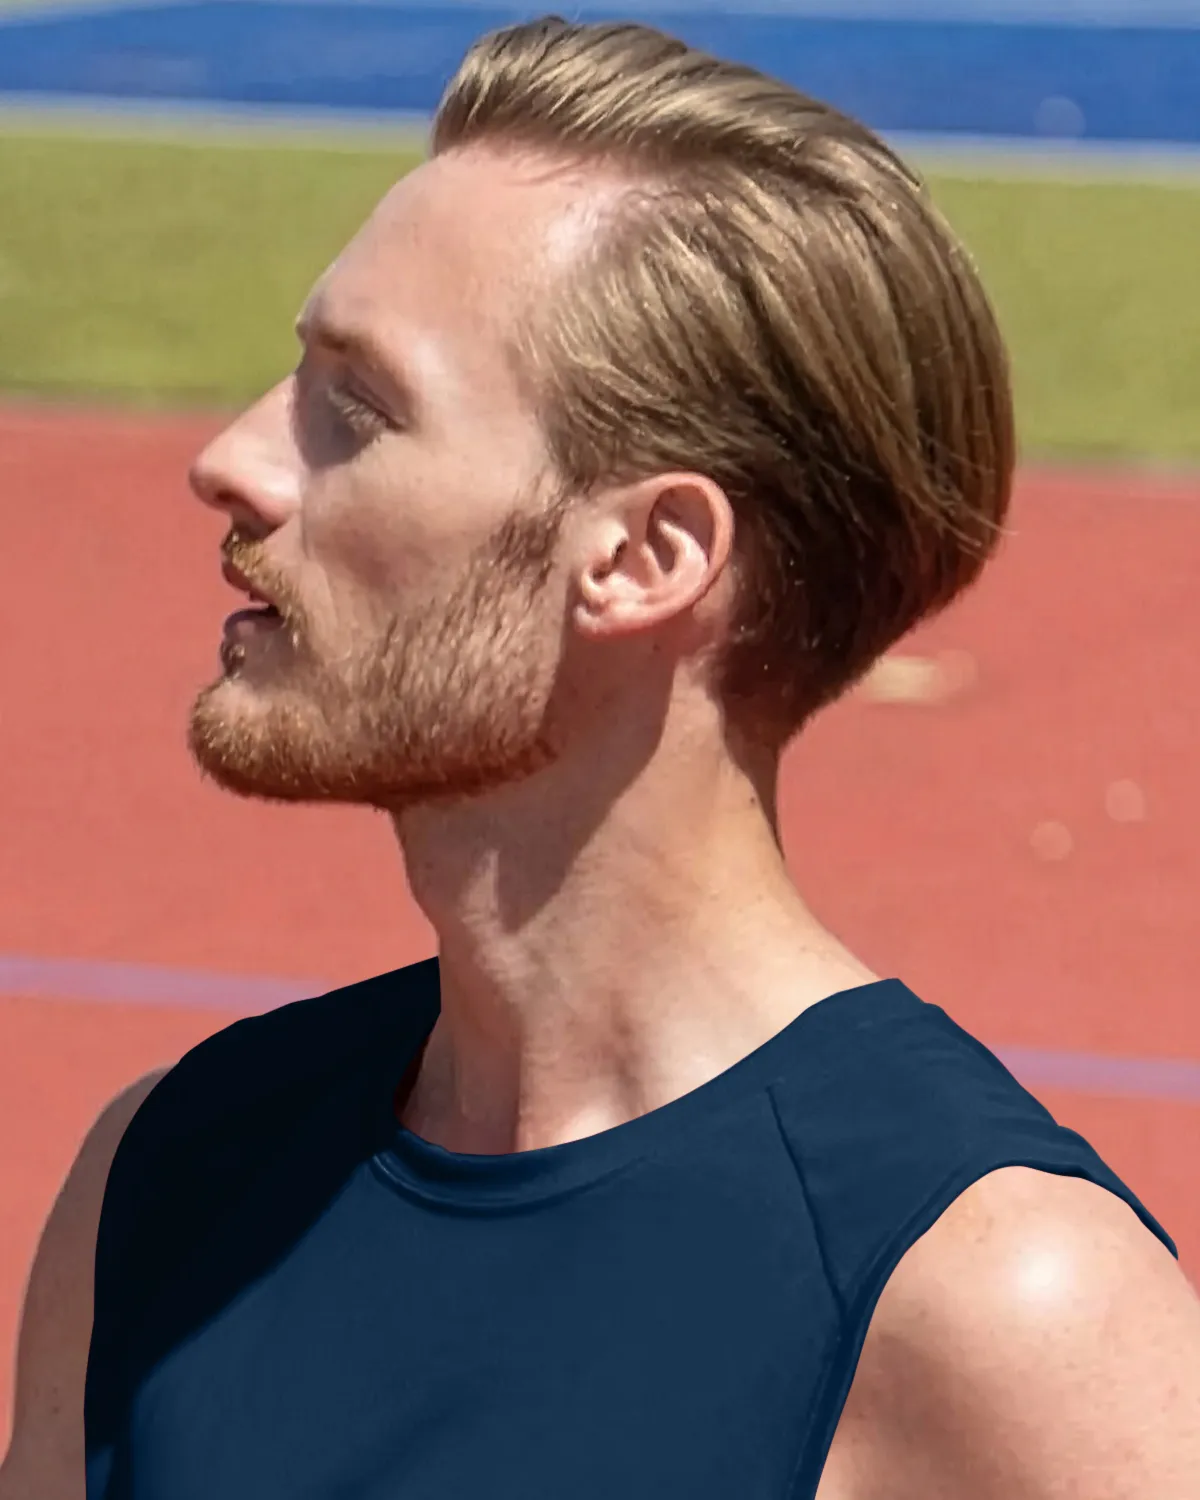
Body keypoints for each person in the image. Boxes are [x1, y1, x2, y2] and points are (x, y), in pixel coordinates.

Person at [4, 17, 1198, 1500]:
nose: (233, 460)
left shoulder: (993, 1309)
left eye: (356, 411)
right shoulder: (168, 1176)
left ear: (644, 555)